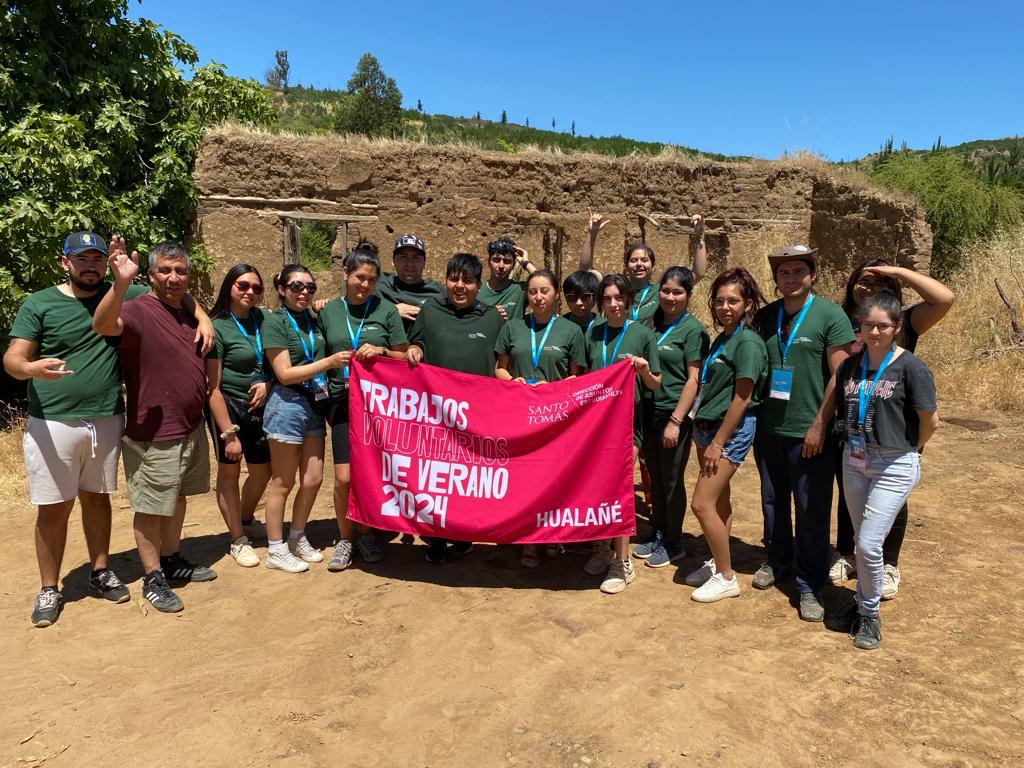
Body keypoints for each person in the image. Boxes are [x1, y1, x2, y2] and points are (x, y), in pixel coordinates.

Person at [4, 232, 212, 625]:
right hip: (53, 420)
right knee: (54, 508)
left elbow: (174, 288)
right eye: (81, 259)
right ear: (65, 262)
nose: (90, 266)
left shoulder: (127, 290)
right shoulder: (41, 303)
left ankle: (100, 570)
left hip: (105, 417)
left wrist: (202, 317)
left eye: (97, 260)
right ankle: (49, 588)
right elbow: (13, 357)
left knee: (96, 499)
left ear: (106, 263)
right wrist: (30, 369)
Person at [91, 239, 217, 614]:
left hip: (189, 427)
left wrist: (203, 316)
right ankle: (152, 577)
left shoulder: (187, 312)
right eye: (165, 270)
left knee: (176, 497)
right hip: (153, 434)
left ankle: (173, 557)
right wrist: (119, 283)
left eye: (180, 271)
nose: (173, 277)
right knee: (149, 506)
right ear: (150, 275)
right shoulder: (137, 309)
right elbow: (102, 324)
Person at [829, 260, 954, 598]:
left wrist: (898, 273)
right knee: (851, 494)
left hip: (895, 429)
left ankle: (888, 565)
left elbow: (944, 299)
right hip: (852, 427)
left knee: (892, 501)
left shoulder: (904, 321)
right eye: (863, 280)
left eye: (878, 282)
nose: (868, 287)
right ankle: (849, 554)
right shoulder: (842, 319)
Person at [826, 291, 938, 649]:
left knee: (870, 544)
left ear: (897, 327)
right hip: (856, 460)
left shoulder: (911, 368)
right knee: (862, 543)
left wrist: (913, 452)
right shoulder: (850, 366)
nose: (874, 332)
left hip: (894, 462)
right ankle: (862, 604)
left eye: (882, 326)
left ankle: (870, 616)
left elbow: (930, 421)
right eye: (868, 325)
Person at [752, 244, 855, 622]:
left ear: (812, 275)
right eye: (784, 273)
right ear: (776, 279)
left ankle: (810, 582)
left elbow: (839, 375)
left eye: (798, 271)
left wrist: (818, 424)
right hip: (769, 429)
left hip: (810, 433)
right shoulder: (765, 317)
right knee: (773, 500)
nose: (791, 278)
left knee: (811, 508)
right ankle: (778, 559)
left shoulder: (830, 316)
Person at [406, 252, 505, 563]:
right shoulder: (431, 310)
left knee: (466, 478)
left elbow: (504, 361)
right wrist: (414, 348)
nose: (459, 286)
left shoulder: (493, 318)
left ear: (478, 285)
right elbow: (418, 341)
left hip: (478, 417)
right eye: (454, 279)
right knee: (435, 478)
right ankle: (435, 540)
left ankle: (462, 535)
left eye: (468, 280)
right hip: (436, 414)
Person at [317, 249, 408, 572]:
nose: (365, 285)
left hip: (379, 408)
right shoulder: (328, 312)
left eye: (371, 280)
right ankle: (345, 538)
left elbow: (405, 357)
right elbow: (317, 354)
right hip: (342, 401)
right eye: (359, 277)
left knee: (371, 474)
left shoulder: (385, 311)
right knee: (343, 477)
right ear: (345, 274)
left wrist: (381, 350)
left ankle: (365, 534)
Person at [686, 268, 769, 602]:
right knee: (719, 501)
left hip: (727, 430)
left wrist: (719, 443)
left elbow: (743, 397)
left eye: (733, 300)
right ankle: (717, 560)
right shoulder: (724, 337)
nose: (725, 307)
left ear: (748, 304)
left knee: (701, 504)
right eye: (719, 301)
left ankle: (726, 576)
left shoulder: (748, 342)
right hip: (706, 425)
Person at [260, 264, 349, 573]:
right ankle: (275, 548)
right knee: (283, 482)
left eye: (310, 287)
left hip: (313, 404)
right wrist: (328, 362)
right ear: (282, 290)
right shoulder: (275, 322)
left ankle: (297, 536)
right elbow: (283, 374)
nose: (304, 292)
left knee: (312, 479)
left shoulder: (312, 319)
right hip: (286, 405)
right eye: (297, 286)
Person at [495, 268, 586, 567]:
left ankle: (550, 535)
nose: (538, 297)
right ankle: (529, 541)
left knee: (552, 479)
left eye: (544, 291)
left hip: (556, 419)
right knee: (524, 479)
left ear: (556, 294)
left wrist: (555, 389)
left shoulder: (571, 332)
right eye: (533, 292)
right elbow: (499, 368)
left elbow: (577, 378)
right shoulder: (513, 328)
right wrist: (513, 381)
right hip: (519, 417)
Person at [581, 274, 662, 594]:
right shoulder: (593, 332)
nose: (613, 305)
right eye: (607, 299)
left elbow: (656, 382)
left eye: (619, 298)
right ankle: (602, 549)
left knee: (619, 490)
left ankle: (621, 560)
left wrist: (642, 370)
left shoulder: (642, 334)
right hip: (595, 426)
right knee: (596, 489)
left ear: (628, 300)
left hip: (628, 425)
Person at [632, 267, 709, 568]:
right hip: (647, 410)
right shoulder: (647, 325)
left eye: (678, 292)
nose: (670, 297)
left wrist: (677, 420)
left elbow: (694, 380)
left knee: (671, 479)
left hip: (672, 412)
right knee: (654, 475)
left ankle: (674, 542)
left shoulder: (693, 330)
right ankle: (659, 533)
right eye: (665, 290)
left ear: (688, 295)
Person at [205, 264, 272, 568]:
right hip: (228, 405)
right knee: (230, 472)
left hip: (259, 407)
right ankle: (237, 539)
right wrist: (228, 433)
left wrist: (268, 384)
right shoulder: (217, 326)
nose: (249, 292)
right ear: (229, 286)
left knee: (263, 470)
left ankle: (244, 519)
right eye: (243, 285)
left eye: (256, 288)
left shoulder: (264, 319)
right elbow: (212, 387)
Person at [579, 207, 708, 323]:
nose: (639, 264)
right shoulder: (614, 288)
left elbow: (698, 273)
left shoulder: (661, 292)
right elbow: (585, 271)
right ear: (626, 267)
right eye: (633, 261)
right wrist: (592, 234)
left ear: (653, 267)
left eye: (644, 260)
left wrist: (700, 236)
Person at [375, 234, 444, 331]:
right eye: (403, 257)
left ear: (424, 262)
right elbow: (354, 308)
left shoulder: (438, 292)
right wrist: (392, 310)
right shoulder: (379, 284)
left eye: (416, 258)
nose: (409, 264)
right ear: (393, 261)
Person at [477, 238, 536, 319]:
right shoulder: (477, 291)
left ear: (513, 265)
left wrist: (526, 263)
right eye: (496, 260)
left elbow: (547, 284)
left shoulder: (520, 290)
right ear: (489, 262)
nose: (501, 266)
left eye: (507, 261)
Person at [561, 269, 600, 334]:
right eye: (572, 297)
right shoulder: (557, 326)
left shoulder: (603, 327)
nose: (579, 303)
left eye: (585, 297)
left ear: (594, 298)